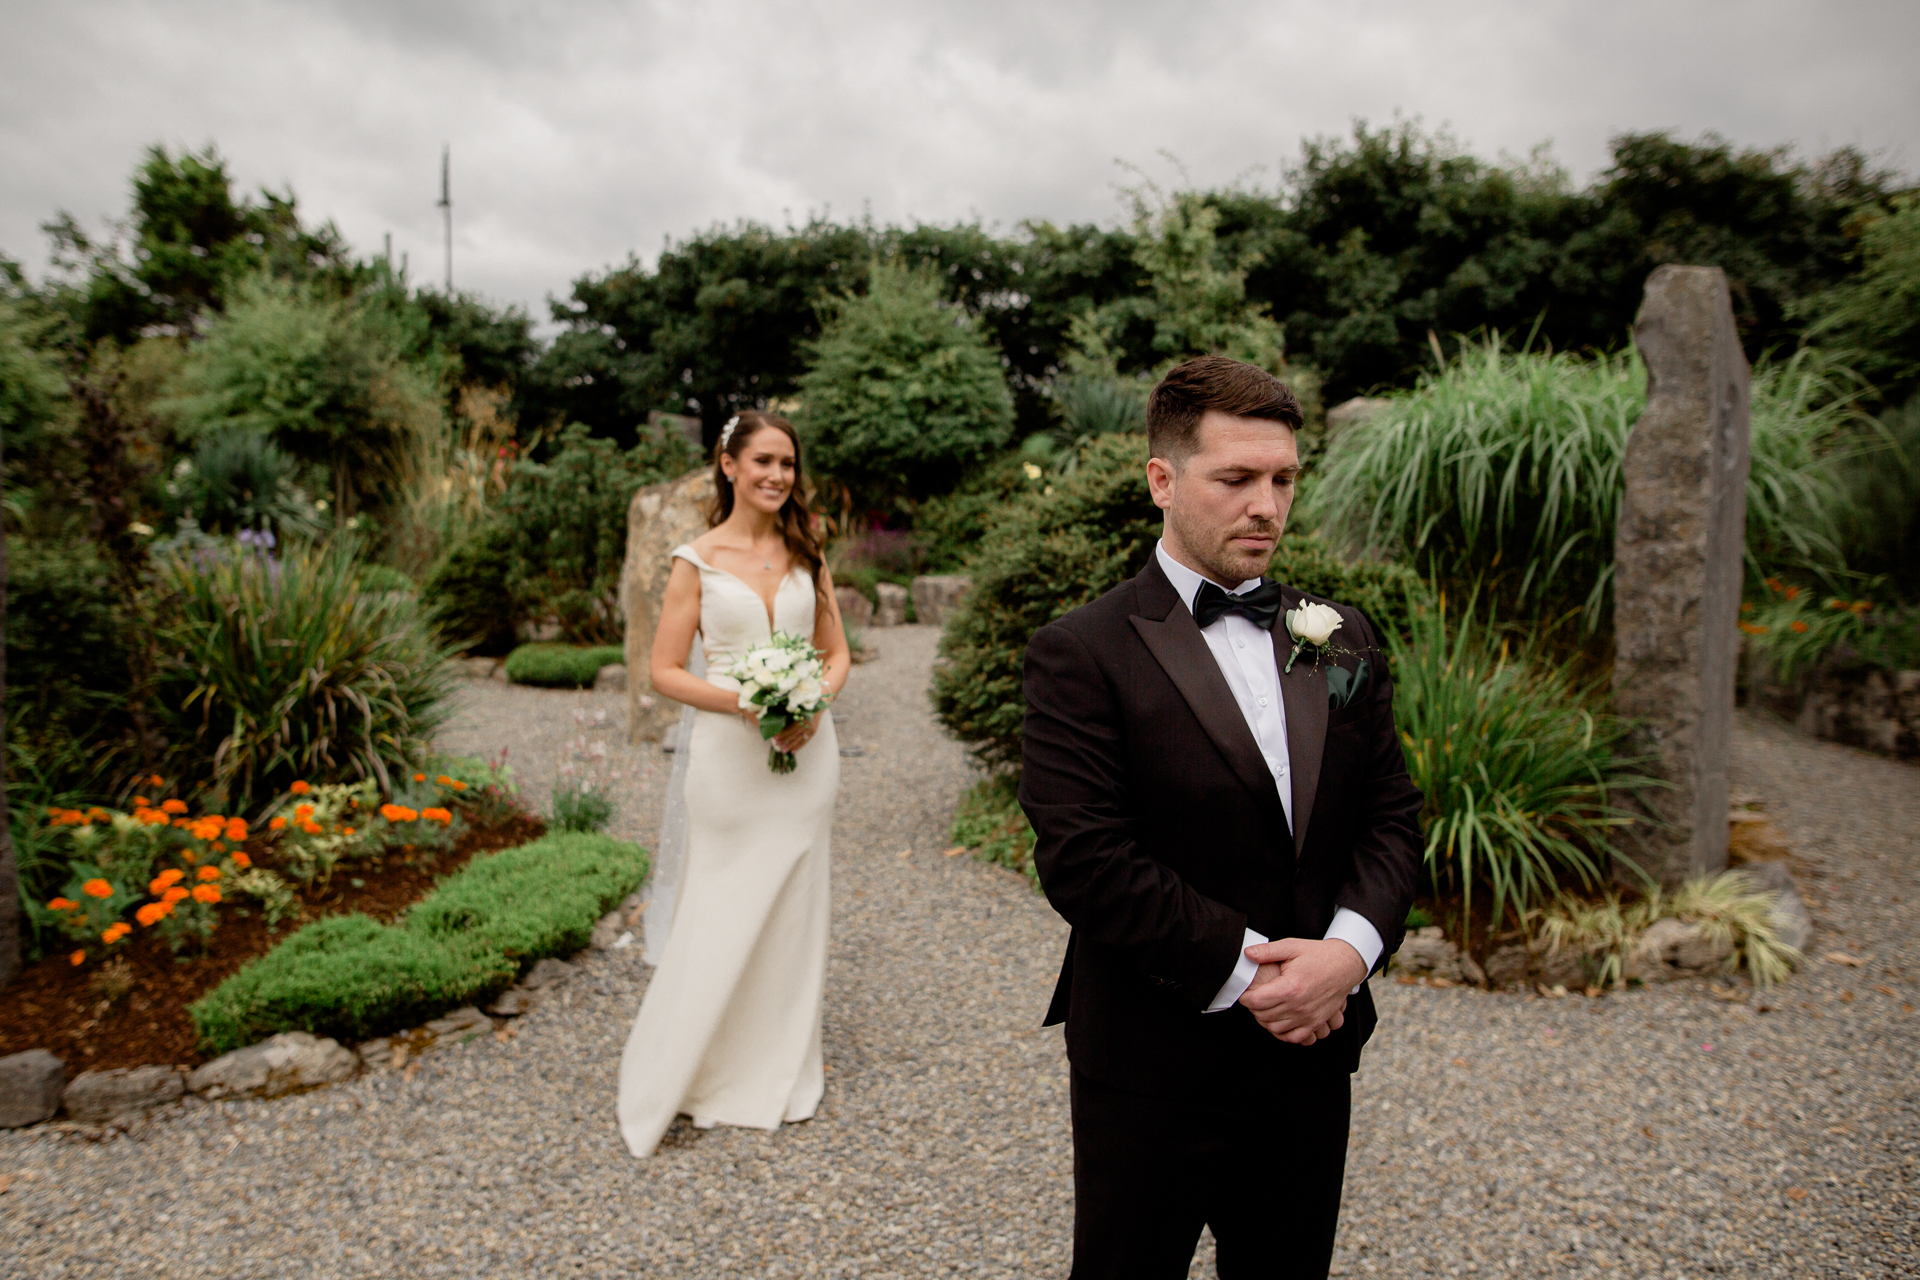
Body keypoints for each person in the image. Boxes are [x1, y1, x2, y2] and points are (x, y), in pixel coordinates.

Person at [1019, 355, 1424, 1278]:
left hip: (1316, 1051)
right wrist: (1256, 975)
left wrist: (1346, 956)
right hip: (1154, 1053)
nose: (1267, 506)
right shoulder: (1080, 649)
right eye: (1236, 479)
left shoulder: (1341, 633)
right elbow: (1085, 857)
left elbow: (1392, 817)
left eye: (1283, 479)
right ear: (1162, 480)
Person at [617, 410, 851, 1158]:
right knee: (718, 908)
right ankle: (690, 1068)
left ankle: (779, 1066)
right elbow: (663, 670)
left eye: (788, 463)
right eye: (763, 462)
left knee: (791, 910)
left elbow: (836, 652)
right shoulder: (697, 559)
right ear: (728, 465)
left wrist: (813, 700)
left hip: (806, 756)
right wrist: (746, 703)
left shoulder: (808, 551)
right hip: (728, 759)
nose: (778, 476)